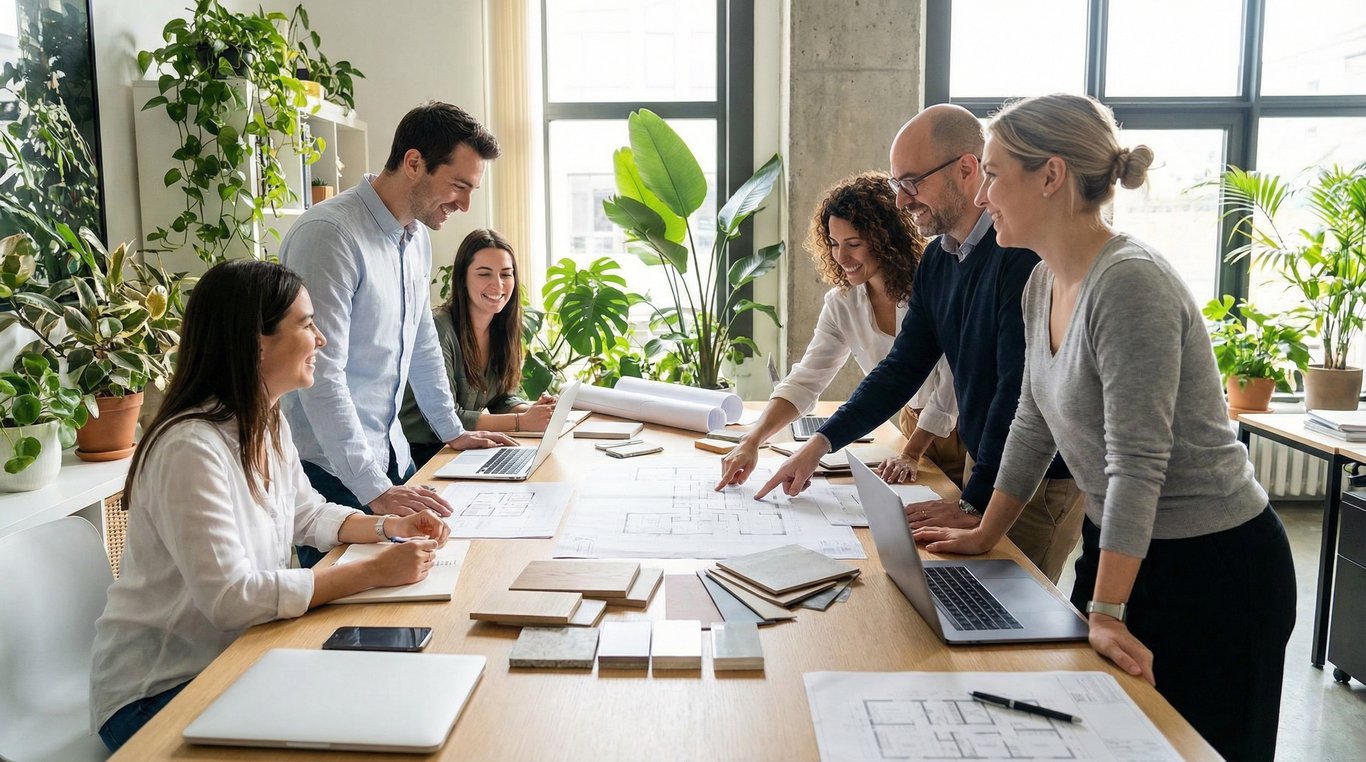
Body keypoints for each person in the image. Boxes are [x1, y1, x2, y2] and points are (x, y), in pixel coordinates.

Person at [915, 93, 1296, 761]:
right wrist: (985, 530)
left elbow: (1137, 462)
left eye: (996, 174)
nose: (984, 196)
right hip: (1123, 553)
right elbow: (1033, 420)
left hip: (1214, 570)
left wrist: (1109, 608)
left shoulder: (1129, 284)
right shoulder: (1043, 282)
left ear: (1051, 176)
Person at [89, 260, 451, 752]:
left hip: (242, 654)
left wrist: (388, 526)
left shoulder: (265, 420)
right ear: (257, 342)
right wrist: (371, 573)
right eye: (306, 324)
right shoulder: (189, 448)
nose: (321, 339)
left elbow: (306, 514)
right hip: (158, 693)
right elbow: (231, 598)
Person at [755, 104, 1085, 583]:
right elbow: (899, 370)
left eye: (912, 182)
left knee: (1007, 624)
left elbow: (1018, 396)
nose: (901, 201)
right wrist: (821, 444)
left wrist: (974, 501)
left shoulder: (1020, 258)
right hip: (987, 461)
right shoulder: (938, 261)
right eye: (896, 185)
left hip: (1039, 479)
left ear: (967, 169)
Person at [279, 101, 516, 567]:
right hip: (332, 469)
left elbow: (421, 339)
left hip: (392, 456)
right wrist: (374, 488)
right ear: (414, 163)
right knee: (341, 629)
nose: (466, 205)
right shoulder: (331, 235)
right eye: (459, 186)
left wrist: (452, 430)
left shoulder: (416, 237)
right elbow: (321, 377)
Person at [716, 172, 966, 490]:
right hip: (912, 424)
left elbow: (950, 384)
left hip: (961, 430)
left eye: (854, 244)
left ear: (886, 240)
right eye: (833, 244)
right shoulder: (842, 303)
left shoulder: (933, 285)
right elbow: (806, 380)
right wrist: (752, 440)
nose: (841, 257)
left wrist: (911, 453)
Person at [399, 228, 556, 467]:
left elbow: (501, 398)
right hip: (422, 455)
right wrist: (521, 422)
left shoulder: (503, 328)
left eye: (506, 274)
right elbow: (450, 416)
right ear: (462, 278)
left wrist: (533, 410)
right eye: (484, 274)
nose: (498, 284)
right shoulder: (438, 329)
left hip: (465, 449)